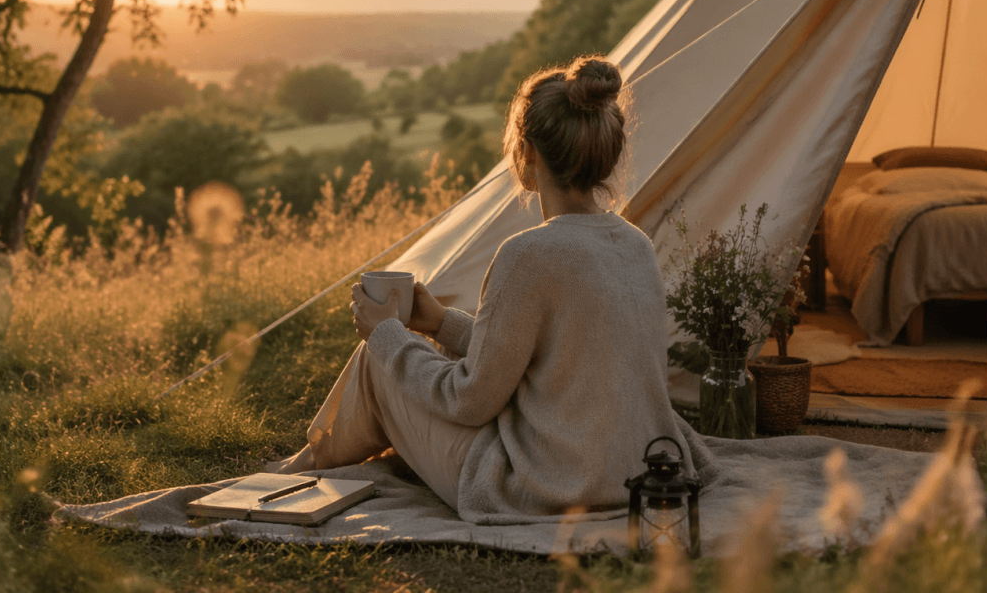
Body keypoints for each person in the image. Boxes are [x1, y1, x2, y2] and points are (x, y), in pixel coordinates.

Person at [273, 55, 692, 523]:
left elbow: (470, 401)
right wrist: (439, 324)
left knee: (379, 358)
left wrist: (386, 334)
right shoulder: (636, 245)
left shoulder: (529, 254)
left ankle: (305, 467)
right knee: (396, 346)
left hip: (545, 486)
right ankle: (312, 461)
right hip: (637, 473)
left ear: (528, 151)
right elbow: (554, 359)